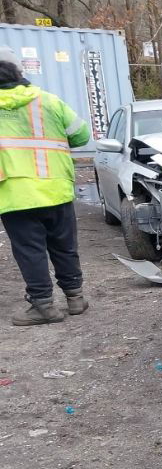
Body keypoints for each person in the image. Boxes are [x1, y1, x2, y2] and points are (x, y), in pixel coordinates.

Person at [0, 46, 91, 325]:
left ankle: (43, 306)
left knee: (31, 251)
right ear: (19, 72)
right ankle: (75, 298)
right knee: (64, 246)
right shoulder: (48, 101)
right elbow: (81, 135)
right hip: (56, 188)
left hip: (15, 195)